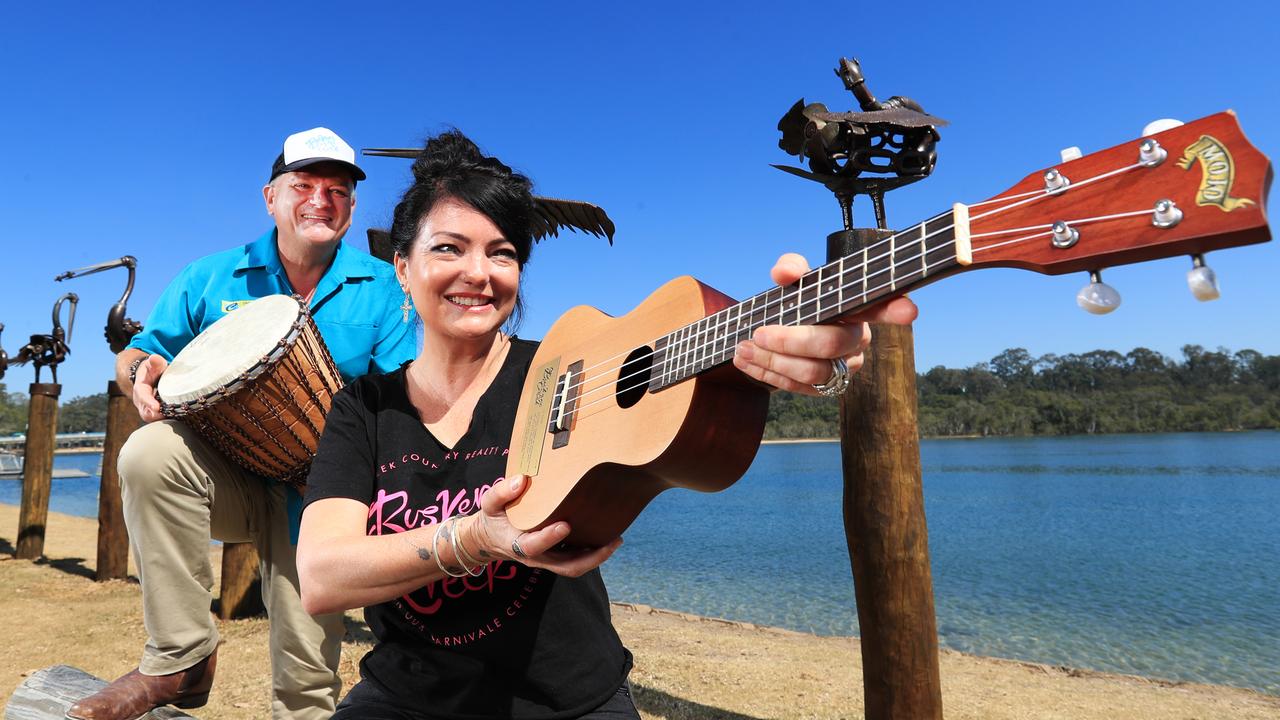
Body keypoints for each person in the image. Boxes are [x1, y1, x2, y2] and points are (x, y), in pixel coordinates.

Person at [297, 130, 918, 719]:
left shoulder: (562, 370)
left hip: (569, 700)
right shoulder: (366, 407)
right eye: (448, 248)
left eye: (503, 253)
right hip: (404, 700)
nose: (479, 273)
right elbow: (323, 577)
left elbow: (712, 363)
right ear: (401, 267)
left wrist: (813, 365)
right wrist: (477, 540)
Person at [67, 128, 417, 720]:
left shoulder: (387, 287)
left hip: (321, 495)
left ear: (353, 208)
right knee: (148, 452)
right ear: (270, 198)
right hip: (223, 475)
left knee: (306, 678)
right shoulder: (209, 276)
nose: (320, 201)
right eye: (302, 186)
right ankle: (182, 655)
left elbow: (403, 398)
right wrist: (140, 372)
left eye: (337, 191)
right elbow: (138, 352)